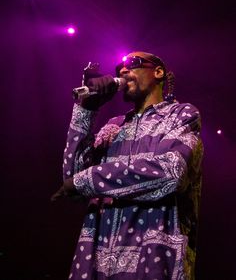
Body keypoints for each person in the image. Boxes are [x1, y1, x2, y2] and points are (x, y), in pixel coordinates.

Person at [51, 51, 203, 280]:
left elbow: (170, 173)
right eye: (119, 68)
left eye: (132, 63)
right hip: (96, 260)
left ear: (158, 72)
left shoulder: (180, 115)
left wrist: (90, 179)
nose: (122, 71)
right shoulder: (114, 126)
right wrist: (87, 110)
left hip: (152, 258)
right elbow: (72, 179)